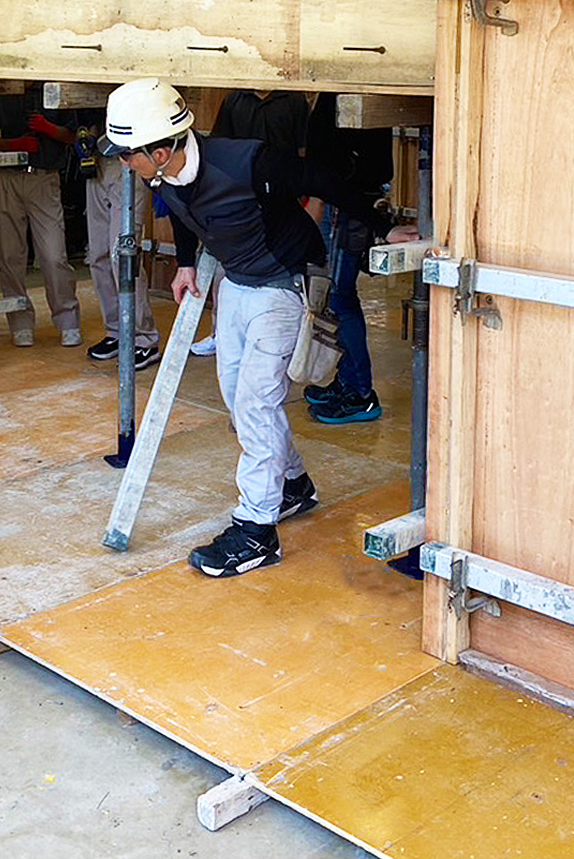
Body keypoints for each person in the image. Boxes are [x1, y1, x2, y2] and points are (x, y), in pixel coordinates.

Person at [97, 78, 419, 579]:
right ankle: (292, 484)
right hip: (239, 281)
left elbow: (322, 179)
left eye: (128, 154)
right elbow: (182, 208)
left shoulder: (249, 161)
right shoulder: (159, 172)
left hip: (287, 282)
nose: (123, 162)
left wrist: (381, 228)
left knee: (255, 402)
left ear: (160, 150)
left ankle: (256, 530)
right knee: (237, 396)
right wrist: (185, 263)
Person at [190, 89, 313, 357]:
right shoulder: (235, 98)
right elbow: (219, 143)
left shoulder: (293, 99)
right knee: (225, 269)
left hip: (281, 190)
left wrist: (302, 188)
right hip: (238, 189)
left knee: (283, 264)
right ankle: (218, 334)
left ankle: (287, 336)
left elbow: (303, 148)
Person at [301, 92, 395, 424]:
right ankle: (348, 381)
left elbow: (341, 156)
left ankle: (361, 394)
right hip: (340, 198)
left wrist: (319, 197)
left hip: (347, 201)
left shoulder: (352, 87)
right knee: (336, 297)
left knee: (340, 298)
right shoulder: (337, 89)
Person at [0, 89, 81, 348]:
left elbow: (73, 135)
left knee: (54, 255)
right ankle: (20, 323)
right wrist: (14, 145)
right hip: (8, 176)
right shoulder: (4, 91)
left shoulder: (54, 88)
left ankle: (67, 320)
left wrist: (48, 128)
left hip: (45, 177)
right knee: (9, 256)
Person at [78, 111, 161, 371]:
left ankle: (144, 338)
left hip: (129, 160)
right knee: (98, 255)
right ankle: (117, 331)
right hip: (97, 161)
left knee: (122, 256)